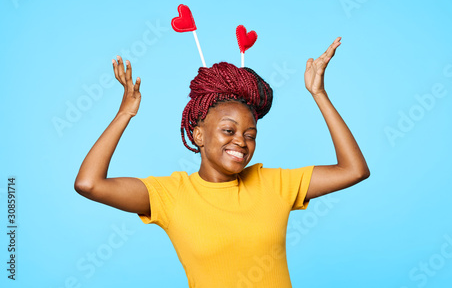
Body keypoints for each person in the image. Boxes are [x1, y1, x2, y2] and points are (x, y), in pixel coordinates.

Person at [74, 36, 370, 287]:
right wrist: (125, 113)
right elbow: (89, 184)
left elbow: (354, 170)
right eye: (229, 130)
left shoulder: (275, 184)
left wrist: (319, 93)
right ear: (199, 135)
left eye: (250, 134)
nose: (241, 141)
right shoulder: (170, 195)